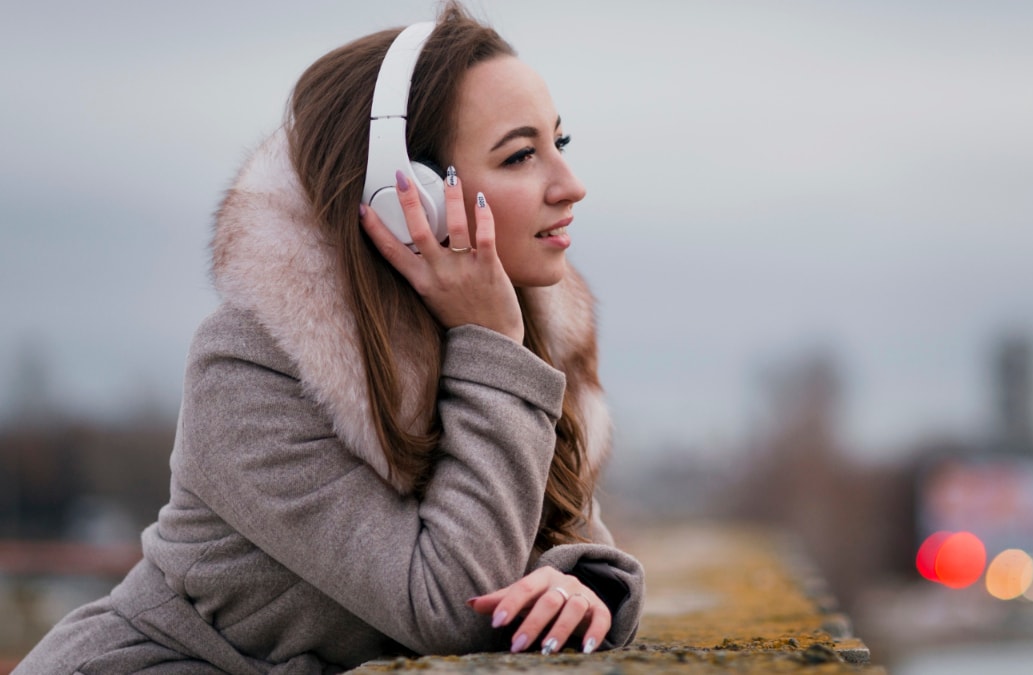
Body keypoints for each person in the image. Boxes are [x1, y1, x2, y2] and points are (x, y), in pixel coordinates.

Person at [15, 3, 644, 673]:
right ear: (411, 194)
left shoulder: (516, 329)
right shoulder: (252, 367)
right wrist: (490, 344)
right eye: (520, 155)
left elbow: (566, 533)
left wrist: (583, 587)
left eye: (560, 143)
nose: (570, 184)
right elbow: (451, 607)